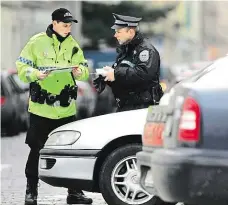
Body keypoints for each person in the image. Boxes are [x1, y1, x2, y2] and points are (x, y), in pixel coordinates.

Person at [16, 8, 92, 205]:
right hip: (41, 108)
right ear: (54, 23)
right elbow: (22, 67)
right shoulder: (37, 41)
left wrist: (79, 72)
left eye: (70, 25)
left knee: (71, 151)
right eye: (65, 25)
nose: (68, 29)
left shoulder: (73, 45)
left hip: (66, 108)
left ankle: (74, 192)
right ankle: (31, 192)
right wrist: (35, 74)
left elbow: (84, 70)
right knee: (36, 150)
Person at [93, 13, 163, 112]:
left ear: (130, 32)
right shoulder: (126, 50)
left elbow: (144, 74)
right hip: (127, 106)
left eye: (118, 32)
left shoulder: (146, 50)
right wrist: (107, 77)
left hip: (142, 108)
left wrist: (116, 74)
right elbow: (125, 78)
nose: (115, 35)